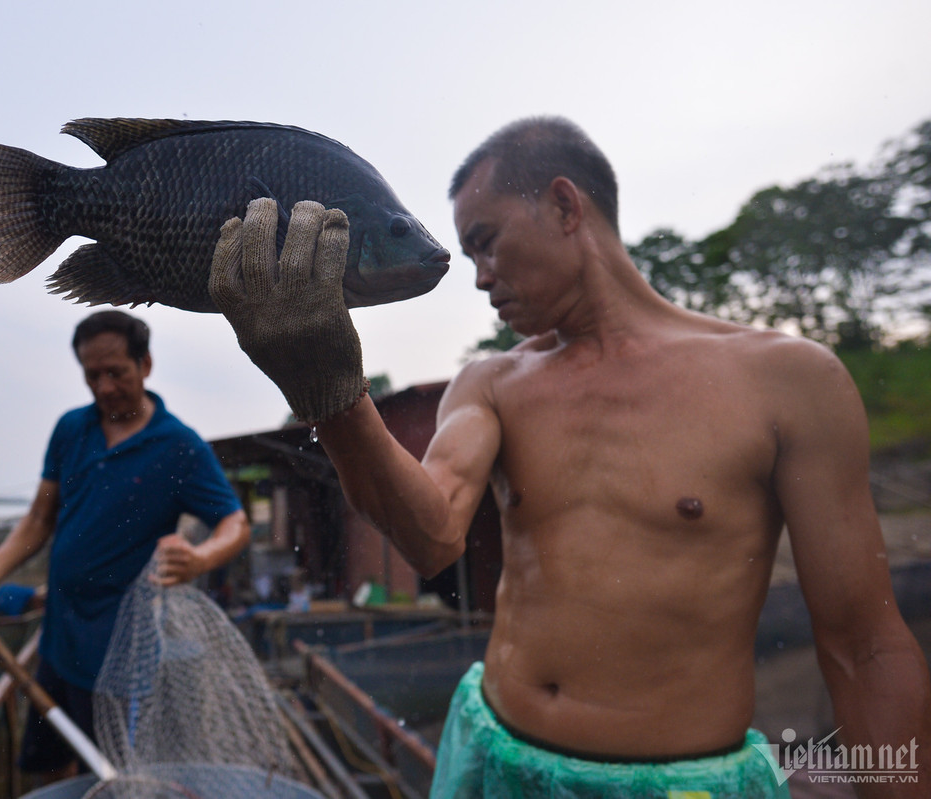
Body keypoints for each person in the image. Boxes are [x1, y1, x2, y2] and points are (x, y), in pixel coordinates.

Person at [208, 117, 931, 797]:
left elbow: (865, 646)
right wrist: (330, 389)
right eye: (468, 255)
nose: (480, 275)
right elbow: (431, 536)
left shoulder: (787, 379)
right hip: (491, 758)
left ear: (564, 205)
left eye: (486, 241)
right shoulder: (491, 382)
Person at [0, 309, 249, 783]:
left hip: (118, 654)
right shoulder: (71, 429)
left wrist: (201, 557)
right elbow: (39, 519)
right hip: (59, 636)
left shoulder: (179, 446)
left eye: (115, 373)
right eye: (91, 375)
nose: (102, 388)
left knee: (108, 774)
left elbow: (235, 522)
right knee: (47, 764)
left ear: (146, 364)